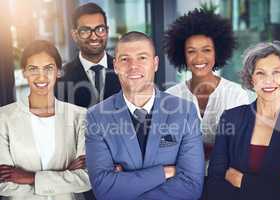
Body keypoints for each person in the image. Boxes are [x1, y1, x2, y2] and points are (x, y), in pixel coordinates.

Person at [85, 31, 205, 200]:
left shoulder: (184, 111)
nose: (133, 66)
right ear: (116, 65)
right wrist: (165, 172)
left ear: (155, 63)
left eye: (142, 58)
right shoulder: (96, 117)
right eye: (125, 59)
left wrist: (125, 182)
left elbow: (191, 186)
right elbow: (104, 189)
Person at [206, 41, 280, 200]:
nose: (269, 80)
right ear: (251, 80)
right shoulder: (231, 118)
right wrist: (274, 188)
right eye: (260, 73)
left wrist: (243, 181)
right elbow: (215, 182)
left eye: (276, 72)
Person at [0, 40, 90, 200]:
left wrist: (30, 178)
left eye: (48, 68)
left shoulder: (79, 116)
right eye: (33, 69)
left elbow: (85, 178)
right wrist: (65, 175)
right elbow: (4, 184)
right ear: (24, 73)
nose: (41, 76)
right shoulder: (4, 118)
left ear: (59, 72)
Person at [164, 9, 249, 161]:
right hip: (182, 177)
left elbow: (241, 146)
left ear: (217, 52)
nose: (199, 58)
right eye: (191, 51)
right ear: (183, 55)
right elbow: (166, 145)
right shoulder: (171, 96)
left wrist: (190, 148)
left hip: (225, 178)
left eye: (206, 50)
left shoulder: (235, 94)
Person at [55, 2, 121, 108]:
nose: (94, 37)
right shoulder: (61, 79)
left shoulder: (124, 71)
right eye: (85, 31)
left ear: (107, 31)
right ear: (74, 35)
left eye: (100, 29)